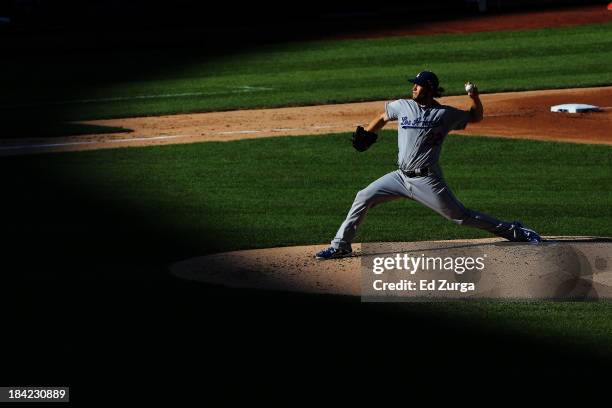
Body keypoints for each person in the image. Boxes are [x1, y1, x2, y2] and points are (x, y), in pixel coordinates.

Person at [315, 70, 541, 260]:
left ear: (430, 88)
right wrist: (368, 133)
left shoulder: (444, 114)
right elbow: (383, 116)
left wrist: (474, 96)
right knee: (363, 196)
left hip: (427, 180)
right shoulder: (403, 106)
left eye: (418, 85)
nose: (414, 88)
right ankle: (340, 245)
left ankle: (515, 230)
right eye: (413, 84)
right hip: (400, 177)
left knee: (460, 216)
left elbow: (475, 117)